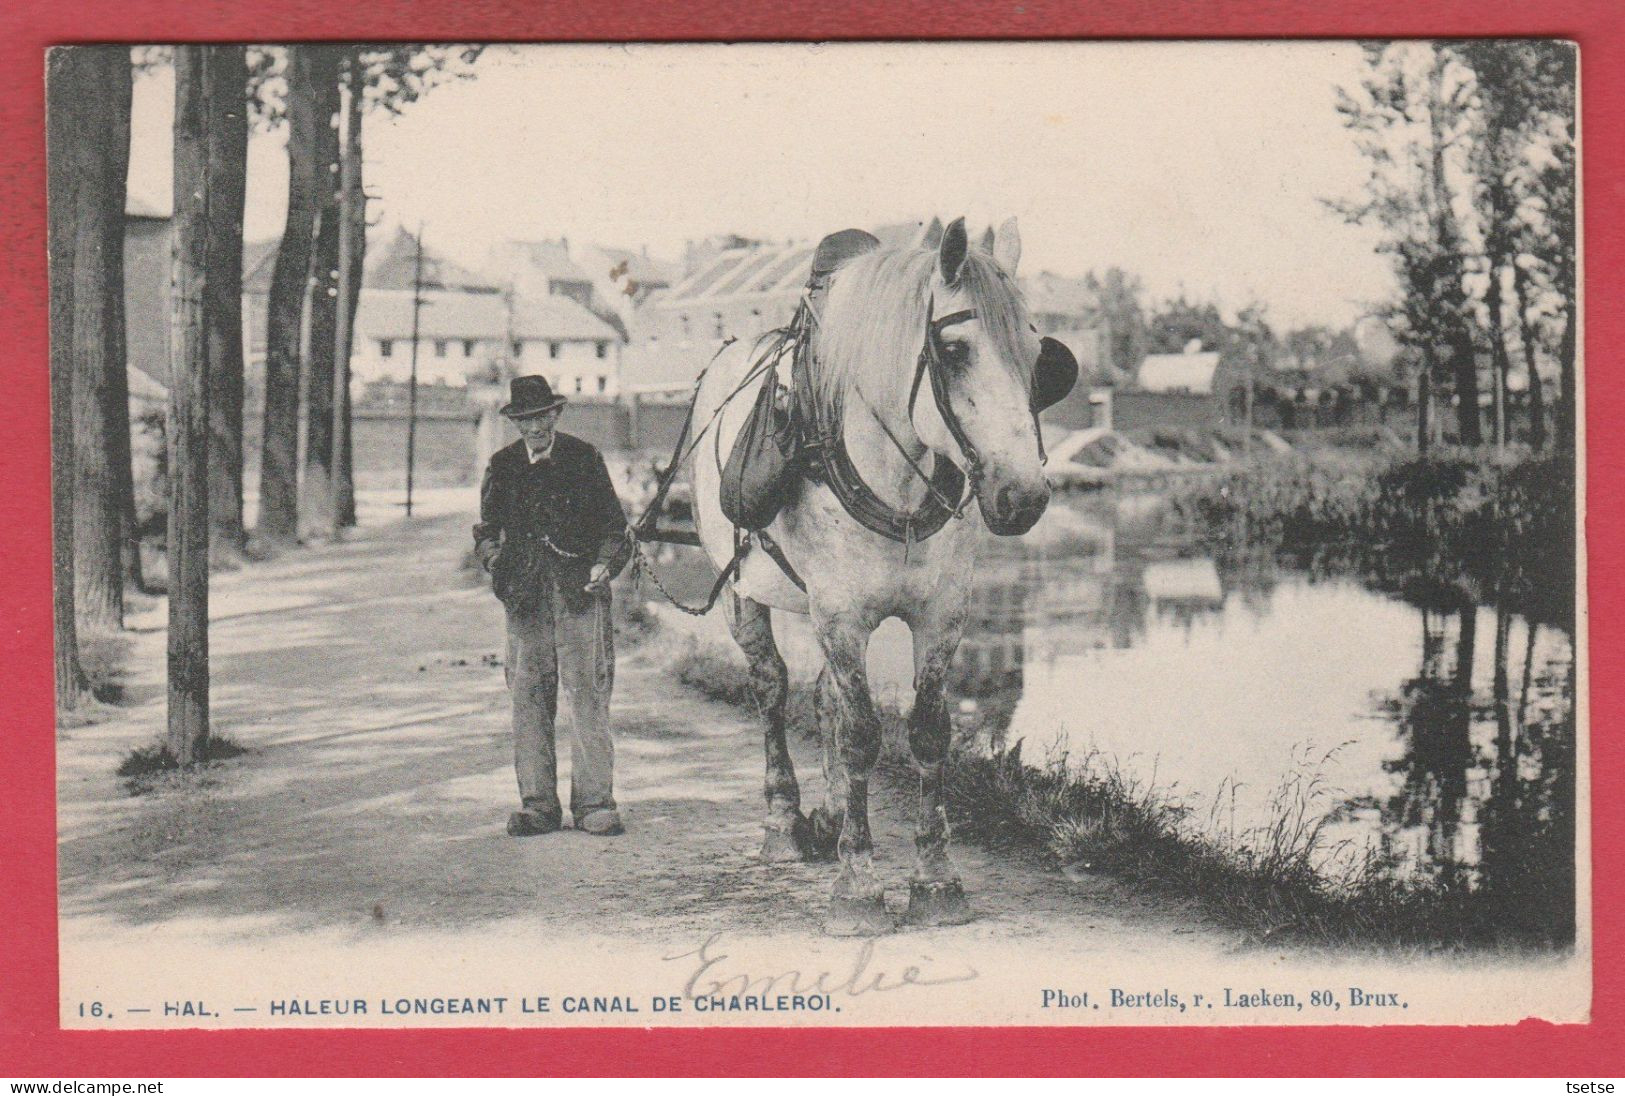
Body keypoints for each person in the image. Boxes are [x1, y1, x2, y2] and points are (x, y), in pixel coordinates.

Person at [472, 375, 633, 837]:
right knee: (528, 699)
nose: (535, 428)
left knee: (588, 695)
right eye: (526, 421)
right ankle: (539, 806)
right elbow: (486, 531)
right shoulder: (502, 467)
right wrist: (496, 562)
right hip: (526, 601)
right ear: (516, 424)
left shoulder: (585, 459)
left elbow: (614, 528)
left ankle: (595, 805)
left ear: (555, 416)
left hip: (579, 595)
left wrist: (604, 566)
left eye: (542, 418)